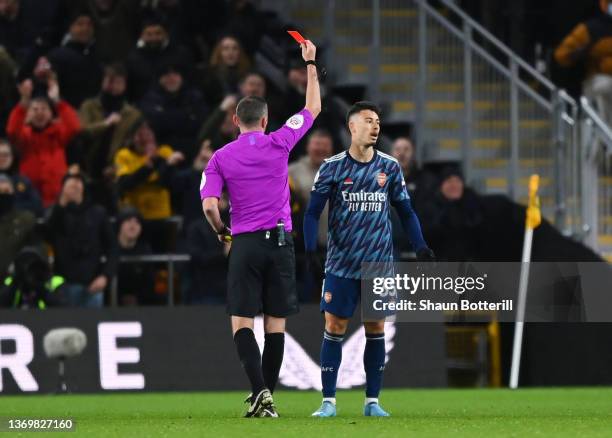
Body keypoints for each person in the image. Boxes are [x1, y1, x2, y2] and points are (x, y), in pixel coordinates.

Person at [200, 39, 321, 417]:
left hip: (247, 243)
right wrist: (311, 63)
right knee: (275, 325)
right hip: (282, 244)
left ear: (236, 121)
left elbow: (209, 206)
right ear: (265, 121)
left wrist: (222, 231)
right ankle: (265, 396)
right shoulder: (281, 142)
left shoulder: (219, 158)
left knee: (242, 321)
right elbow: (312, 107)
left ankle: (258, 392)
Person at [304, 101, 435, 417]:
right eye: (368, 121)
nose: (375, 126)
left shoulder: (389, 167)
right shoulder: (332, 167)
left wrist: (420, 247)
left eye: (377, 121)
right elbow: (312, 212)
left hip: (379, 264)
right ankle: (328, 402)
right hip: (341, 263)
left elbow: (406, 211)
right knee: (334, 325)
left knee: (375, 326)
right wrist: (309, 249)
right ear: (352, 127)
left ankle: (372, 402)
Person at [6, 77, 81, 207]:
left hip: (56, 198)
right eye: (35, 109)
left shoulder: (58, 134)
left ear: (51, 114)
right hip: (29, 199)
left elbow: (74, 127)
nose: (40, 113)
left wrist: (58, 101)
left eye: (44, 109)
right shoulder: (24, 135)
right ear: (28, 114)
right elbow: (12, 131)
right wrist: (24, 102)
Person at [45, 173, 117, 308]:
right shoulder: (55, 212)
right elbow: (48, 234)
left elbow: (112, 247)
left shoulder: (97, 213)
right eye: (70, 186)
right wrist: (61, 204)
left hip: (93, 283)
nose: (74, 188)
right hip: (63, 284)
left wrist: (105, 276)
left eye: (77, 184)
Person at [77, 62, 141, 211]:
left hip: (116, 174)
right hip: (88, 168)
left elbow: (133, 144)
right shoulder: (89, 106)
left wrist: (116, 167)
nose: (113, 86)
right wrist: (105, 124)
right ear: (102, 81)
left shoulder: (132, 115)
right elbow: (82, 131)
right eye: (109, 80)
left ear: (125, 84)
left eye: (118, 82)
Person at [554, 0, 612, 126]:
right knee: (605, 87)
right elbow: (561, 55)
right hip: (597, 81)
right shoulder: (591, 29)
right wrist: (582, 52)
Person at [139, 61, 209, 161]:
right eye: (166, 75)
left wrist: (166, 116)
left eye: (175, 74)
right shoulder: (150, 99)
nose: (171, 78)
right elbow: (155, 125)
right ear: (159, 78)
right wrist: (186, 116)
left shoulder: (194, 96)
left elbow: (201, 123)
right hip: (162, 153)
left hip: (194, 151)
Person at [47, 10, 102, 108]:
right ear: (70, 28)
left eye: (89, 24)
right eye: (80, 24)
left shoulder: (99, 56)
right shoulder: (58, 56)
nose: (85, 28)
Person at [288, 129, 333, 249]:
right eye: (317, 145)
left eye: (325, 146)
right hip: (304, 245)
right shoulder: (292, 171)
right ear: (308, 147)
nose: (321, 149)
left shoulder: (341, 171)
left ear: (331, 149)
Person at [0, 246, 66, 309]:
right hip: (16, 318)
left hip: (44, 318)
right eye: (23, 264)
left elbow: (63, 308)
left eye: (33, 266)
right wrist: (16, 282)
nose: (27, 269)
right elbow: (2, 303)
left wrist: (41, 288)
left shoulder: (55, 281)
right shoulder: (11, 281)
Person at [0, 173, 37, 277]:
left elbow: (35, 248)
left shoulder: (26, 220)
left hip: (17, 281)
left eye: (6, 191)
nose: (3, 195)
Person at [116, 207, 154, 306]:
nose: (133, 226)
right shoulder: (109, 249)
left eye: (137, 222)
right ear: (120, 224)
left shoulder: (145, 250)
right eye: (128, 221)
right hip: (110, 302)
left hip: (140, 303)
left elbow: (149, 282)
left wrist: (137, 298)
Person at [197, 35, 251, 106]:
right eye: (226, 49)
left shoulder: (249, 74)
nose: (230, 52)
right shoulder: (210, 75)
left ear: (240, 52)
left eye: (235, 48)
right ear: (219, 52)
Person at [0, 139, 42, 215]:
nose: (2, 158)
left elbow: (37, 206)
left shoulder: (23, 181)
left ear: (12, 157)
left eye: (6, 155)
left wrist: (11, 200)